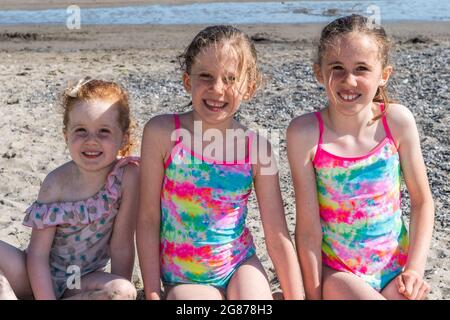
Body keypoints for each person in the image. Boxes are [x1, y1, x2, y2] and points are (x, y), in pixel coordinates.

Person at [137, 25, 304, 300]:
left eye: (230, 79)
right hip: (184, 275)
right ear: (187, 81)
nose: (217, 89)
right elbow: (147, 219)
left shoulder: (257, 148)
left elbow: (276, 234)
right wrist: (153, 291)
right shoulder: (162, 133)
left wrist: (297, 297)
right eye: (206, 76)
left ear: (248, 88)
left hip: (239, 264)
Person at [287, 14, 435, 300]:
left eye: (362, 68)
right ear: (319, 73)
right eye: (337, 68)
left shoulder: (397, 121)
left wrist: (414, 270)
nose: (349, 80)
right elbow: (307, 230)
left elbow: (422, 201)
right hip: (339, 275)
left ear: (383, 74)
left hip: (395, 270)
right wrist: (314, 294)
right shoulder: (304, 134)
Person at [0, 77, 139, 300]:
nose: (91, 140)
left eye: (103, 131)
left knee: (122, 291)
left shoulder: (127, 177)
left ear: (123, 139)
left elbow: (122, 244)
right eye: (81, 130)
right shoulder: (55, 183)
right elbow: (37, 255)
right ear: (66, 135)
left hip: (79, 281)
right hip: (33, 274)